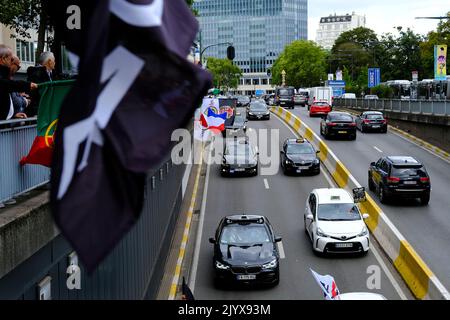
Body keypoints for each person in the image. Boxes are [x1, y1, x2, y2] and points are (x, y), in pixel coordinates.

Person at [0, 44, 37, 120]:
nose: (12, 62)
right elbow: (6, 84)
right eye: (11, 59)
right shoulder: (3, 77)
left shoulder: (4, 74)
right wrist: (28, 85)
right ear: (3, 59)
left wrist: (12, 115)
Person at [27, 51, 56, 116]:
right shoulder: (37, 74)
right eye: (54, 60)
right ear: (49, 61)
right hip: (38, 111)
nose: (55, 62)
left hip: (45, 110)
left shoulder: (49, 74)